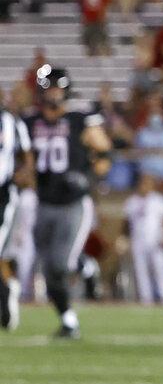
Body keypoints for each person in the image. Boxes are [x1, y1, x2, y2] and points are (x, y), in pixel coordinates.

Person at [25, 66, 111, 339]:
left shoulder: (79, 119)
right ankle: (69, 320)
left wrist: (88, 177)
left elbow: (105, 153)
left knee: (60, 264)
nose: (52, 93)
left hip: (73, 203)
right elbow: (23, 161)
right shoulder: (30, 122)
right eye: (48, 88)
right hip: (43, 202)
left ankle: (85, 267)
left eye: (56, 88)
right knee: (50, 267)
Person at [0, 105, 32, 330]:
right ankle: (5, 292)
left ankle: (6, 292)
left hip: (2, 194)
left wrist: (22, 175)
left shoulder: (11, 121)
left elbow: (27, 156)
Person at [122, 174, 163, 304]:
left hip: (156, 239)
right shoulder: (132, 201)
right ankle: (145, 297)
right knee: (140, 269)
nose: (144, 186)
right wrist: (123, 238)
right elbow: (126, 223)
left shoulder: (159, 200)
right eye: (142, 183)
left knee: (160, 268)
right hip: (138, 239)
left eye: (147, 183)